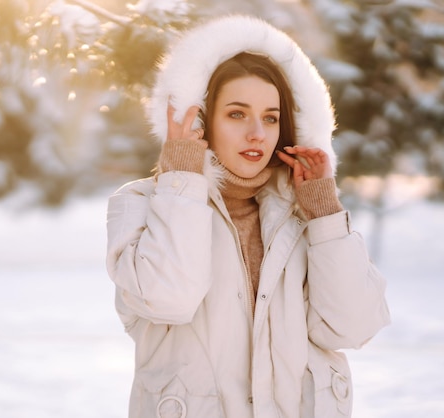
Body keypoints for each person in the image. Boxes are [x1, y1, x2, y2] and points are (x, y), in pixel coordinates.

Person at [106, 15, 390, 418]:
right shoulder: (142, 205)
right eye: (237, 114)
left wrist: (324, 211)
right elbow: (169, 299)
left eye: (271, 117)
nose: (257, 132)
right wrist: (183, 178)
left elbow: (352, 327)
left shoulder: (305, 215)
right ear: (202, 119)